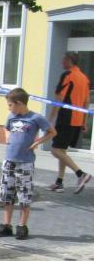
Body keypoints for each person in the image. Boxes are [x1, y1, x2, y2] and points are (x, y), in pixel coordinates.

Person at [0, 88, 56, 240]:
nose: (8, 108)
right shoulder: (12, 116)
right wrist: (7, 136)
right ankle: (6, 225)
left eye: (10, 105)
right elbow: (6, 128)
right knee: (7, 193)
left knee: (24, 195)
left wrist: (37, 142)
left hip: (25, 163)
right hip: (9, 160)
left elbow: (52, 132)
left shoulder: (35, 117)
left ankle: (22, 226)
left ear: (19, 103)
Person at [46, 52, 91, 193]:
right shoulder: (84, 78)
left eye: (63, 60)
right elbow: (86, 102)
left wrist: (50, 120)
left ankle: (81, 174)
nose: (61, 62)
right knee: (62, 151)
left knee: (55, 150)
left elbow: (58, 100)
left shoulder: (67, 75)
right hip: (77, 119)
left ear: (69, 60)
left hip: (66, 118)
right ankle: (59, 182)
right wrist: (84, 121)